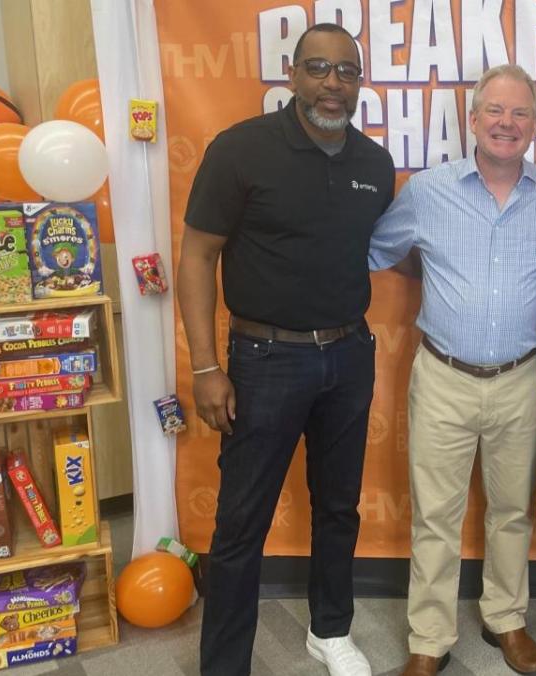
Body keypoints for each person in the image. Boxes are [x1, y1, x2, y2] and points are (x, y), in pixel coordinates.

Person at [178, 23, 394, 676]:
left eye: (347, 72)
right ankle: (224, 666)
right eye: (319, 69)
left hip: (350, 356)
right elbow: (196, 257)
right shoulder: (239, 151)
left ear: (360, 81)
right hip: (264, 360)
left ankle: (330, 631)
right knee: (241, 524)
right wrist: (205, 366)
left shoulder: (374, 165)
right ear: (293, 74)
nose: (334, 84)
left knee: (338, 505)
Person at [368, 64, 536, 676]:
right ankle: (429, 637)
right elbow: (384, 252)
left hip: (524, 376)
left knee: (512, 510)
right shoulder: (427, 191)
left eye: (520, 114)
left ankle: (505, 617)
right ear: (473, 119)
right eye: (495, 112)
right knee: (435, 515)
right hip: (444, 376)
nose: (507, 123)